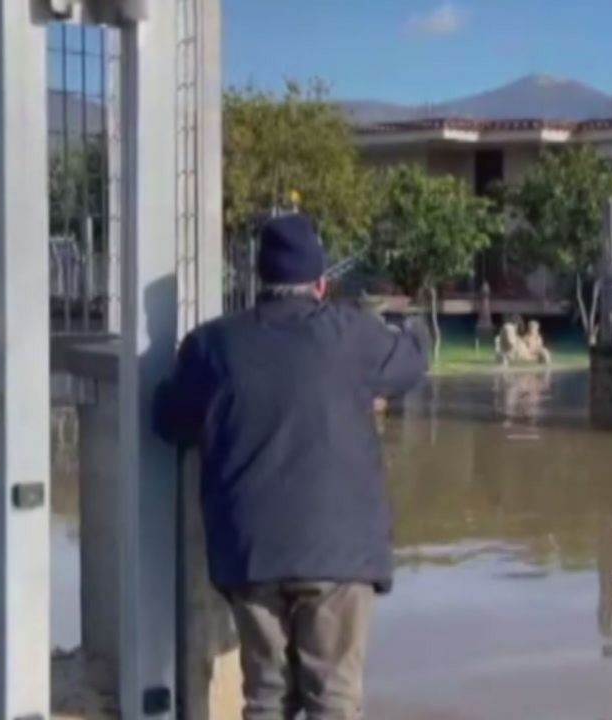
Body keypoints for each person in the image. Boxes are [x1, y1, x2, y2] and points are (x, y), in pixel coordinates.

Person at [154, 213, 428, 720]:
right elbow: (413, 362)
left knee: (265, 696)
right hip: (341, 555)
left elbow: (169, 421)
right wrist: (411, 328)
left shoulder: (214, 345)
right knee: (335, 699)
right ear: (321, 284)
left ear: (261, 279)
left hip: (251, 552)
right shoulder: (353, 335)